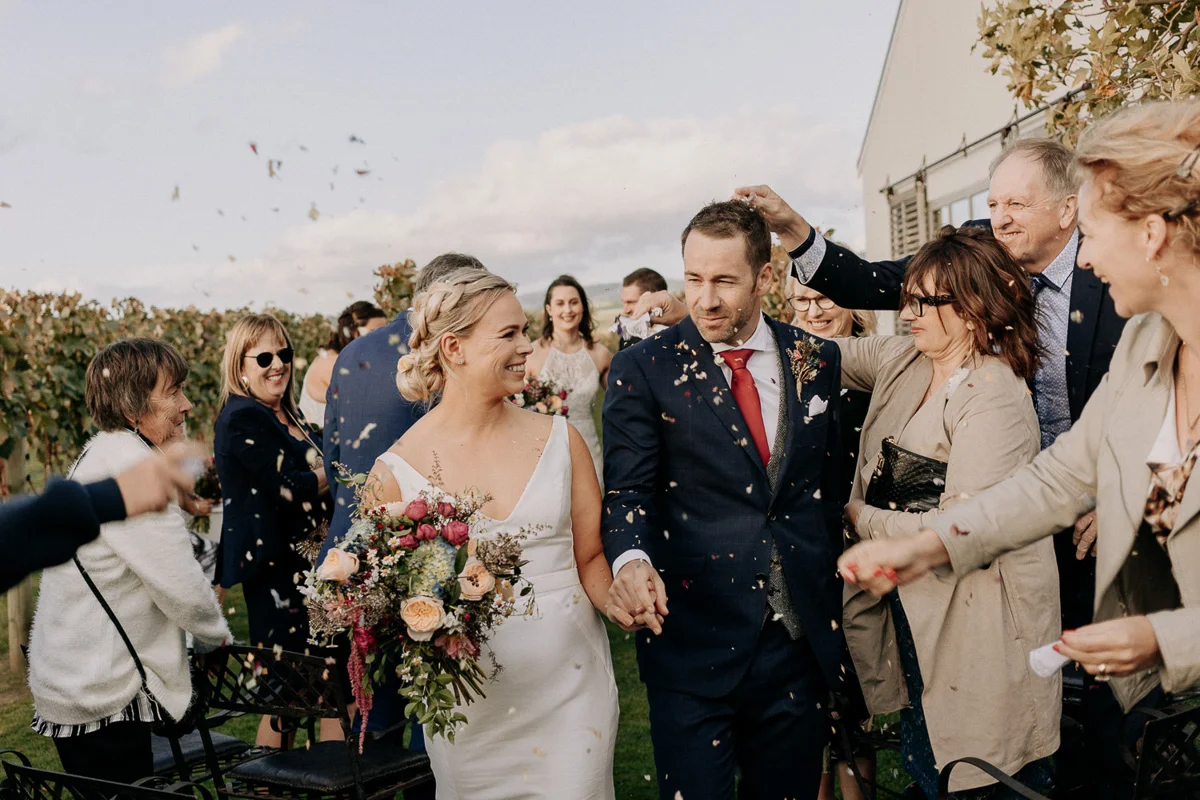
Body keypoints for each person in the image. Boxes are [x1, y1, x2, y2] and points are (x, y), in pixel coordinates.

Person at [838, 100, 1200, 800]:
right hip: (1164, 717)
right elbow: (1061, 477)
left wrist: (1168, 639)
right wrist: (931, 543)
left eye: (1091, 234)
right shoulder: (1145, 346)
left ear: (1152, 233)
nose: (1084, 258)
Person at [737, 138, 1127, 634]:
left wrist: (1116, 484)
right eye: (992, 203)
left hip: (1100, 505)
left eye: (1016, 204)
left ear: (1068, 209)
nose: (1000, 218)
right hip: (1008, 508)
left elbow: (1160, 391)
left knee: (1115, 667)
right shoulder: (978, 251)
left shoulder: (1115, 265)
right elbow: (874, 282)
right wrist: (793, 228)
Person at [603, 200, 847, 800]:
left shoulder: (816, 361)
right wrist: (631, 561)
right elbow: (627, 491)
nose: (705, 299)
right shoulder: (643, 369)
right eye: (693, 279)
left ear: (766, 277)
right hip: (692, 639)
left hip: (795, 644)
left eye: (724, 281)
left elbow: (828, 484)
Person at [362, 266, 621, 799]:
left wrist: (622, 600)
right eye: (509, 334)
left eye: (524, 331)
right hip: (467, 715)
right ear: (454, 347)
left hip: (573, 696)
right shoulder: (394, 474)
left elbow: (591, 557)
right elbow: (383, 604)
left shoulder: (561, 440)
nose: (527, 346)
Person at [841, 226, 1058, 798]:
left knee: (983, 771)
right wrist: (697, 312)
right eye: (907, 297)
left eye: (925, 302)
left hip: (982, 620)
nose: (907, 312)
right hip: (915, 609)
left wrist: (864, 520)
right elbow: (822, 353)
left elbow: (966, 530)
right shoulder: (906, 357)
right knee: (929, 754)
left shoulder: (994, 394)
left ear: (971, 309)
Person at [27, 339, 231, 784]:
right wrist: (218, 638)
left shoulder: (104, 451)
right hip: (99, 690)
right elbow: (179, 584)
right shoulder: (131, 469)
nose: (187, 404)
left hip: (76, 677)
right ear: (132, 406)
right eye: (174, 392)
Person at [319, 253, 483, 780]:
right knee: (431, 694)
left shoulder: (351, 355)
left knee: (375, 700)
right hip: (424, 550)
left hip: (352, 553)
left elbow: (333, 454)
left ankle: (375, 781)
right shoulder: (440, 356)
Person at [213, 313, 331, 747]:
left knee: (325, 680)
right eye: (264, 356)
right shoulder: (242, 418)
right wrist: (335, 471)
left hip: (314, 564)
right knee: (285, 688)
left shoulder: (289, 413)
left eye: (284, 353)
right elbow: (289, 488)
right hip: (277, 568)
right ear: (240, 365)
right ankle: (268, 787)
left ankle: (332, 779)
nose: (277, 364)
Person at [784, 279, 878, 800]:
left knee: (852, 710)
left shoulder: (878, 372)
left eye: (825, 298)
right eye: (802, 301)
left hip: (863, 548)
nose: (814, 310)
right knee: (806, 711)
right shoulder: (785, 377)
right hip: (803, 552)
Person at [0, 442, 203, 592]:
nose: (187, 405)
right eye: (173, 392)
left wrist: (110, 496)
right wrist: (113, 494)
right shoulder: (119, 456)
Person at [527, 275, 611, 481]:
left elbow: (621, 407)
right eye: (560, 304)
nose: (568, 310)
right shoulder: (532, 354)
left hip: (588, 447)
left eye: (574, 302)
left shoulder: (600, 354)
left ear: (583, 307)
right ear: (549, 310)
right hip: (545, 453)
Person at [299, 301, 387, 428]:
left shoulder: (341, 358)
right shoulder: (333, 363)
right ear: (354, 332)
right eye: (375, 332)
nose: (383, 338)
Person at [614, 268, 671, 351]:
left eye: (631, 302)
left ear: (654, 299)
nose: (625, 310)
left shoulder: (680, 333)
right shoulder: (627, 338)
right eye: (624, 302)